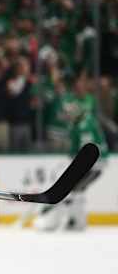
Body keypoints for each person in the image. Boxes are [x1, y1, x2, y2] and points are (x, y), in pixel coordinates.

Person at [33, 74, 109, 231]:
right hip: (100, 163)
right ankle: (76, 221)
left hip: (93, 164)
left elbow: (79, 149)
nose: (68, 117)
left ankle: (72, 221)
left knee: (73, 190)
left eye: (70, 114)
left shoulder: (78, 127)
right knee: (77, 190)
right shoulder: (89, 120)